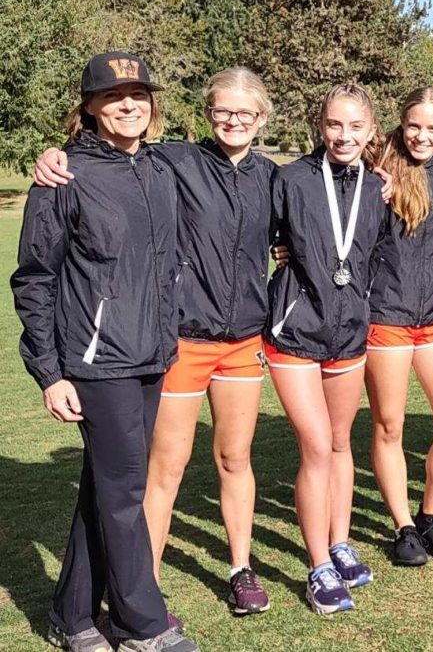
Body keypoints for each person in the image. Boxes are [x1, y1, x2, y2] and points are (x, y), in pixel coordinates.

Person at [34, 66, 277, 616]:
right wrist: (54, 154)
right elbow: (109, 154)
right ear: (207, 114)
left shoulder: (271, 176)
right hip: (182, 340)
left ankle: (241, 568)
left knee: (235, 459)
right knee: (163, 469)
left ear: (262, 118)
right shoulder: (175, 161)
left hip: (243, 342)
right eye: (223, 110)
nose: (234, 120)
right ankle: (144, 586)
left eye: (245, 112)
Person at [12, 51, 199, 651]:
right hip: (96, 361)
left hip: (151, 355)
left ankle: (72, 615)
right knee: (125, 492)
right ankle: (140, 621)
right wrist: (48, 372)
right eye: (114, 96)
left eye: (139, 95)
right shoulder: (64, 177)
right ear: (89, 106)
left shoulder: (161, 168)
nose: (128, 105)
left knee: (105, 485)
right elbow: (35, 279)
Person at [265, 83, 386, 614]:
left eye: (355, 126)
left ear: (370, 130)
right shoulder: (288, 178)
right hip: (296, 331)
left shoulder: (378, 187)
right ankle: (317, 566)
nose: (344, 135)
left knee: (340, 444)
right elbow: (259, 236)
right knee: (315, 448)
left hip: (349, 333)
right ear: (320, 125)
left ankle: (340, 543)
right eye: (335, 125)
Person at [365, 87, 433, 566]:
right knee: (390, 426)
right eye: (414, 125)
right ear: (401, 123)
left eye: (432, 128)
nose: (421, 135)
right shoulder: (375, 170)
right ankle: (403, 527)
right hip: (386, 316)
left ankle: (430, 516)